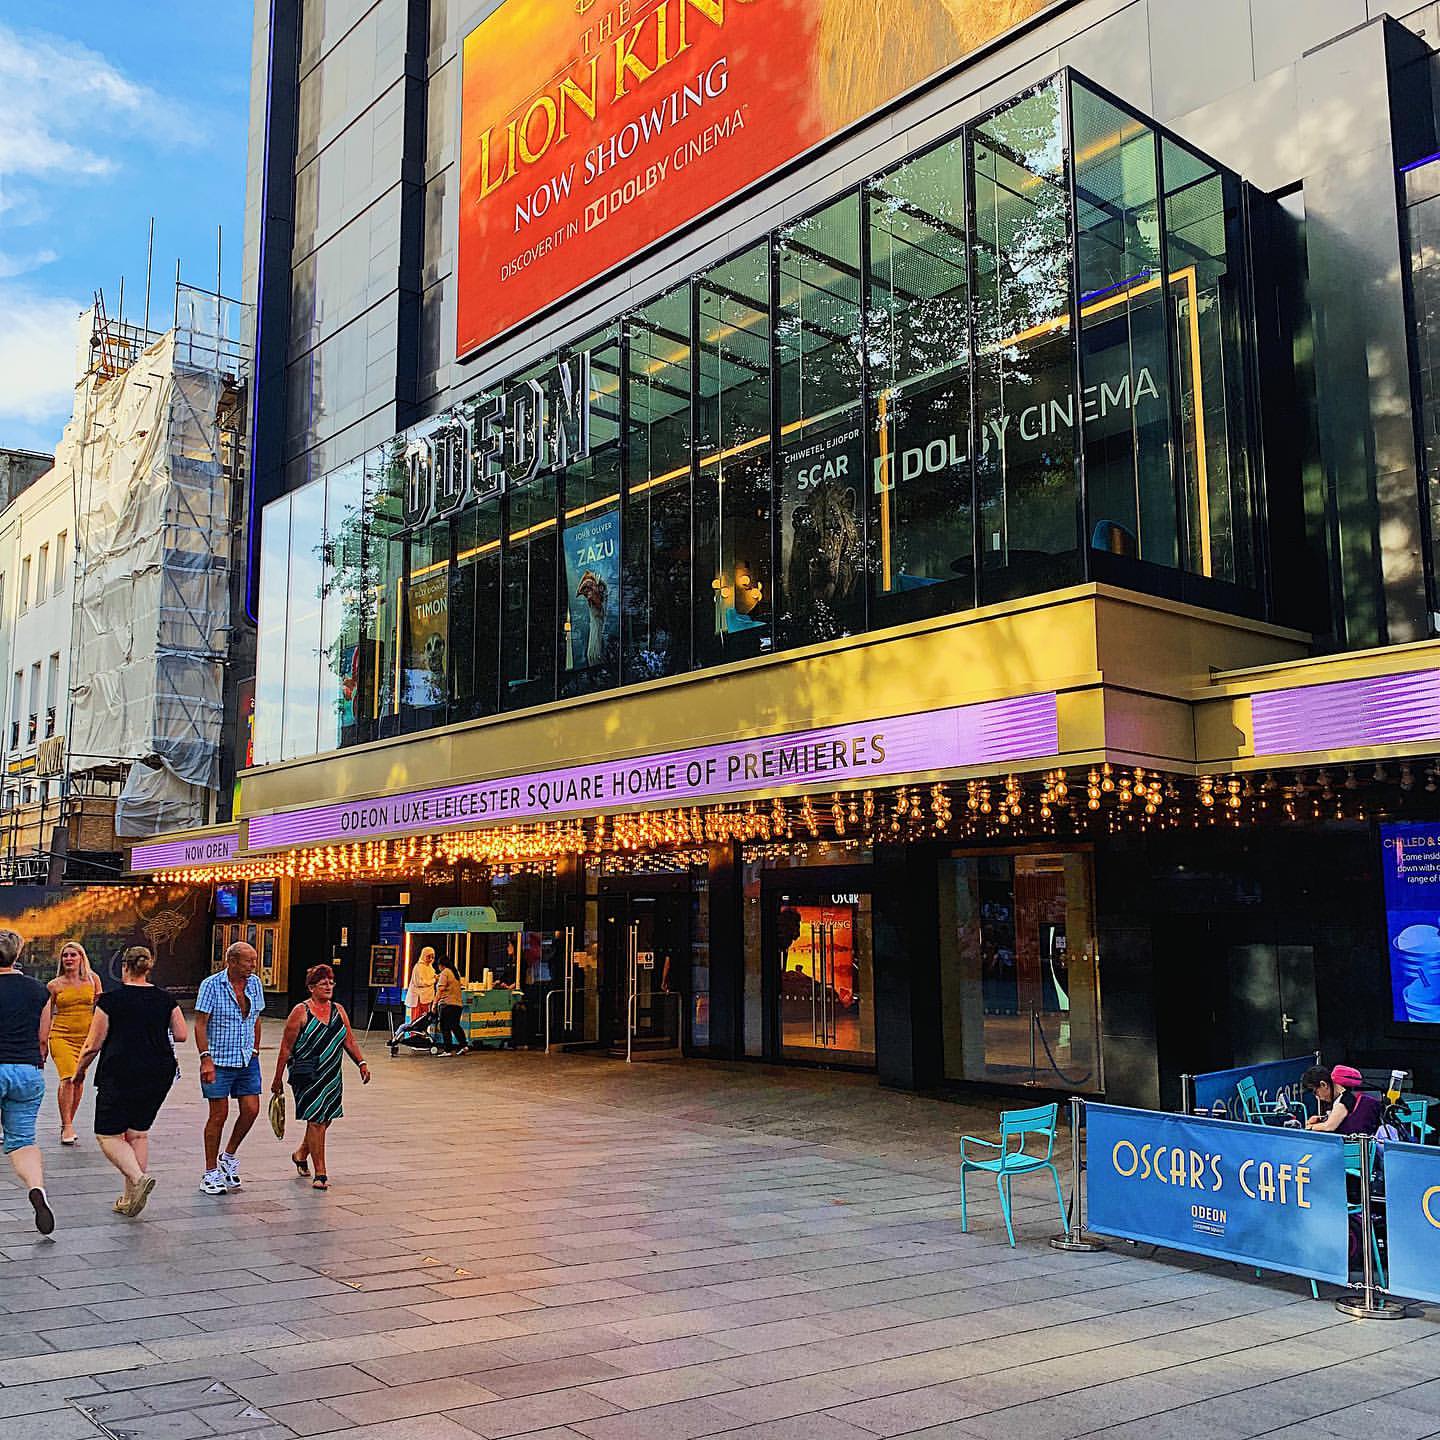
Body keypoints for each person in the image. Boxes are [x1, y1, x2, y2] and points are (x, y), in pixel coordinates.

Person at [71, 946, 186, 1217]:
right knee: (138, 1133)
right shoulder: (165, 998)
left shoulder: (111, 1001)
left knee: (107, 1134)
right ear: (149, 967)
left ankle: (137, 1178)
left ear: (125, 967)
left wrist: (79, 1072)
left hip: (120, 1071)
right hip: (159, 1071)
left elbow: (92, 1044)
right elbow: (181, 1034)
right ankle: (129, 1197)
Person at [270, 964, 370, 1191]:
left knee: (325, 1119)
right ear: (311, 987)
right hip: (307, 1074)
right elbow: (286, 1047)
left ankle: (301, 1153)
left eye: (331, 982)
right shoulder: (300, 1011)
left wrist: (361, 1063)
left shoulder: (339, 1010)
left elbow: (349, 1040)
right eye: (323, 983)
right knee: (316, 1120)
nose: (328, 986)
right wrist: (277, 1079)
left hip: (332, 1074)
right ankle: (321, 1172)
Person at [193, 941, 265, 1195]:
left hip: (247, 1058)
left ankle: (229, 1155)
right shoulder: (211, 985)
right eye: (248, 961)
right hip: (219, 1059)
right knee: (218, 1114)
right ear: (232, 961)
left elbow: (256, 1017)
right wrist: (205, 1058)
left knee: (251, 1109)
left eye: (254, 960)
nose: (253, 965)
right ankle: (210, 1171)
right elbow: (200, 1023)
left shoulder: (255, 984)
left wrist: (255, 1048)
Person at [0, 928, 55, 1233]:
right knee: (22, 1142)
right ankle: (36, 1189)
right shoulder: (39, 990)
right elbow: (43, 1039)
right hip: (27, 1069)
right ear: (17, 954)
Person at [47, 940, 101, 1145]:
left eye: (73, 955)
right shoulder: (54, 985)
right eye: (65, 955)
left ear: (81, 958)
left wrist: (100, 1036)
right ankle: (67, 1126)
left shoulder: (93, 979)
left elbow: (99, 1009)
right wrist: (41, 1042)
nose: (68, 959)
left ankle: (68, 1121)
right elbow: (46, 1015)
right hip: (60, 1035)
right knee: (68, 1077)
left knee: (78, 1080)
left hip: (85, 1038)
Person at [1303, 1063, 1383, 1135]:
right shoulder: (1348, 1096)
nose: (1317, 1097)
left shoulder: (1343, 1101)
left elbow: (1329, 1126)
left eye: (1315, 1091)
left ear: (1323, 1084)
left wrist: (1310, 1127)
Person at [434, 957, 466, 1054]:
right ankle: (463, 1045)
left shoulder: (445, 972)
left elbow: (441, 989)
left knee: (445, 1027)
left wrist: (434, 1003)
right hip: (457, 1005)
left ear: (441, 965)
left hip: (447, 1004)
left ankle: (447, 1049)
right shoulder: (455, 973)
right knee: (455, 1026)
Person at [406, 946, 437, 1023]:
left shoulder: (430, 967)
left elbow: (431, 975)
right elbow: (419, 982)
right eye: (428, 957)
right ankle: (415, 1035)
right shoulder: (418, 967)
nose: (430, 959)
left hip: (426, 998)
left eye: (432, 957)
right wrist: (434, 980)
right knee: (417, 1020)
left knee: (424, 1020)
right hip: (419, 999)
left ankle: (422, 1034)